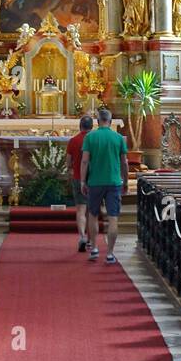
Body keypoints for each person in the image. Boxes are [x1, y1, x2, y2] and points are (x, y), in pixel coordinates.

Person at [80, 107, 128, 264]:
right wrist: (125, 181)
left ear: (98, 121)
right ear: (111, 121)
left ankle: (94, 248)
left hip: (95, 182)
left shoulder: (90, 137)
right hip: (114, 182)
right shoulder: (118, 138)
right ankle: (109, 253)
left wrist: (82, 180)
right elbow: (124, 162)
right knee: (113, 217)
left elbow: (85, 160)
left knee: (93, 215)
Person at [66, 115, 93, 252]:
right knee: (91, 211)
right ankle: (90, 239)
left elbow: (68, 162)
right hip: (94, 179)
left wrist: (70, 169)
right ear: (92, 126)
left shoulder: (73, 140)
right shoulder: (95, 140)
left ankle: (82, 236)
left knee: (81, 209)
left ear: (80, 126)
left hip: (78, 177)